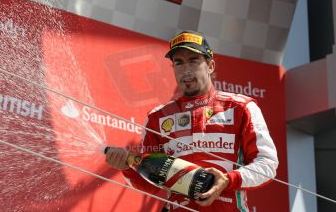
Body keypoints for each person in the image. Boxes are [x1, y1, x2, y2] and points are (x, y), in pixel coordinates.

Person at [106, 30, 279, 211]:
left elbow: (267, 165)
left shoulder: (241, 108)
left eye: (193, 60)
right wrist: (126, 168)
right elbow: (149, 184)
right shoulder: (157, 117)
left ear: (211, 66)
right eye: (178, 63)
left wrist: (228, 180)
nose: (186, 70)